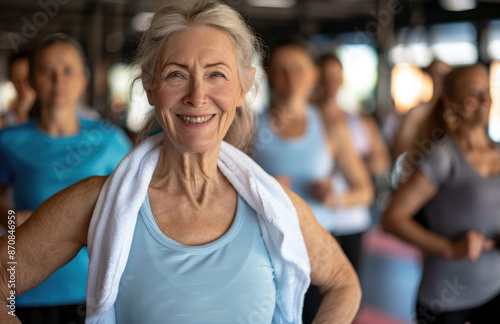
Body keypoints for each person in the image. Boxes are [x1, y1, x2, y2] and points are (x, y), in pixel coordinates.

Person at [0, 1, 361, 323]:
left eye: (216, 74)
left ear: (243, 87)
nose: (197, 95)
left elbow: (344, 283)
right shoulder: (98, 202)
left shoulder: (272, 204)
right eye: (176, 74)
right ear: (150, 86)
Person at [0, 34, 132, 323]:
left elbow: (135, 206)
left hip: (93, 288)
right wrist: (11, 220)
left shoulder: (110, 140)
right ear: (31, 79)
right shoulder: (9, 141)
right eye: (47, 71)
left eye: (68, 71)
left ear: (84, 79)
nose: (58, 80)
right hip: (24, 286)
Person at [252, 37, 371, 324]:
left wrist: (335, 197)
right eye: (282, 70)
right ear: (270, 75)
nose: (291, 78)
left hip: (317, 250)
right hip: (266, 251)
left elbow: (364, 190)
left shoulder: (329, 125)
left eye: (298, 69)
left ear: (313, 75)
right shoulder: (251, 126)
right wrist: (261, 185)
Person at [382, 64, 500, 323]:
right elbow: (392, 219)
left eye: (487, 91)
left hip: (495, 289)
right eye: (473, 92)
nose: (484, 99)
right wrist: (450, 248)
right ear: (451, 102)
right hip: (445, 300)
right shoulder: (443, 157)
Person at [313, 53, 392, 273]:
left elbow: (382, 160)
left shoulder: (359, 120)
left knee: (349, 288)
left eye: (336, 77)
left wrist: (357, 164)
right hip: (315, 218)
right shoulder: (305, 119)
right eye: (325, 77)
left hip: (352, 218)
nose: (331, 84)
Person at [391, 59, 451, 160]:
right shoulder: (418, 112)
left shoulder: (454, 111)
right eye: (435, 74)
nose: (438, 79)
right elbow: (400, 150)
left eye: (443, 75)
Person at [0, 51, 37, 129]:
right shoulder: (8, 116)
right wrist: (18, 114)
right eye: (17, 81)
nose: (23, 86)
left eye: (26, 79)